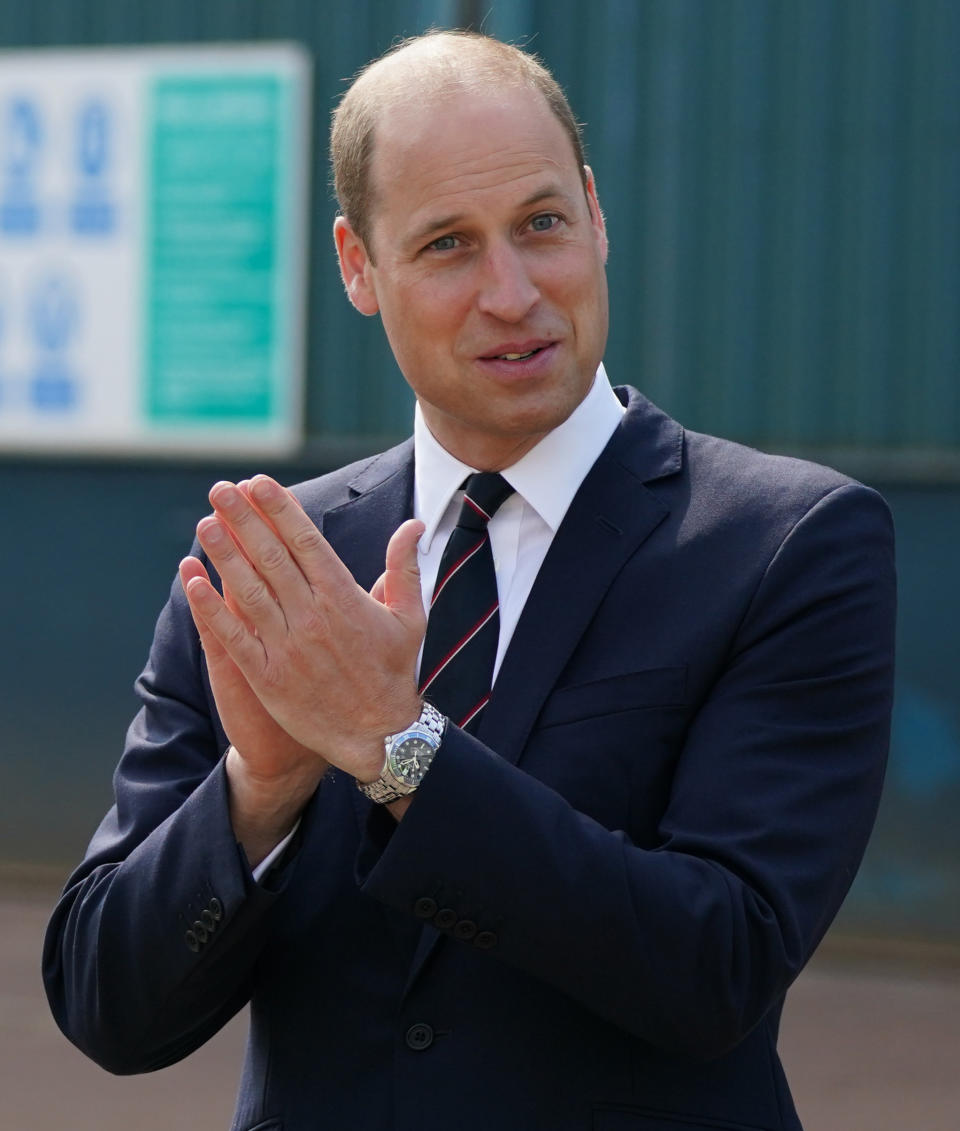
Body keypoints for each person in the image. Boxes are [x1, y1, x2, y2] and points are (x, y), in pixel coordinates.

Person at [43, 29, 896, 1131]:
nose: (513, 292)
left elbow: (717, 967)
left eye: (540, 224)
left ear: (596, 213)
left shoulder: (789, 544)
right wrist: (260, 794)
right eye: (448, 244)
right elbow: (109, 1008)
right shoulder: (267, 567)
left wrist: (397, 751)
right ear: (357, 265)